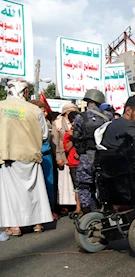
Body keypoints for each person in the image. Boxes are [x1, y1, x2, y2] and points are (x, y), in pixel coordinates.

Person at [0, 80, 54, 237]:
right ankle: (37, 223)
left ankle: (14, 227)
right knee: (34, 191)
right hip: (30, 155)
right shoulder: (34, 110)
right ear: (23, 91)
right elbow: (44, 135)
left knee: (9, 193)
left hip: (8, 156)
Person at [72, 89, 111, 212]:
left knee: (84, 185)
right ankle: (104, 209)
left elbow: (76, 138)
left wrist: (80, 151)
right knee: (103, 183)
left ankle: (88, 211)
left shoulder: (80, 117)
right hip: (103, 156)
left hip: (86, 155)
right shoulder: (108, 116)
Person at [63, 111, 82, 215]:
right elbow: (66, 148)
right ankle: (78, 208)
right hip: (73, 164)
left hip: (83, 162)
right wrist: (73, 137)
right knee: (77, 187)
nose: (74, 123)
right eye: (72, 121)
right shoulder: (67, 134)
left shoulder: (84, 132)